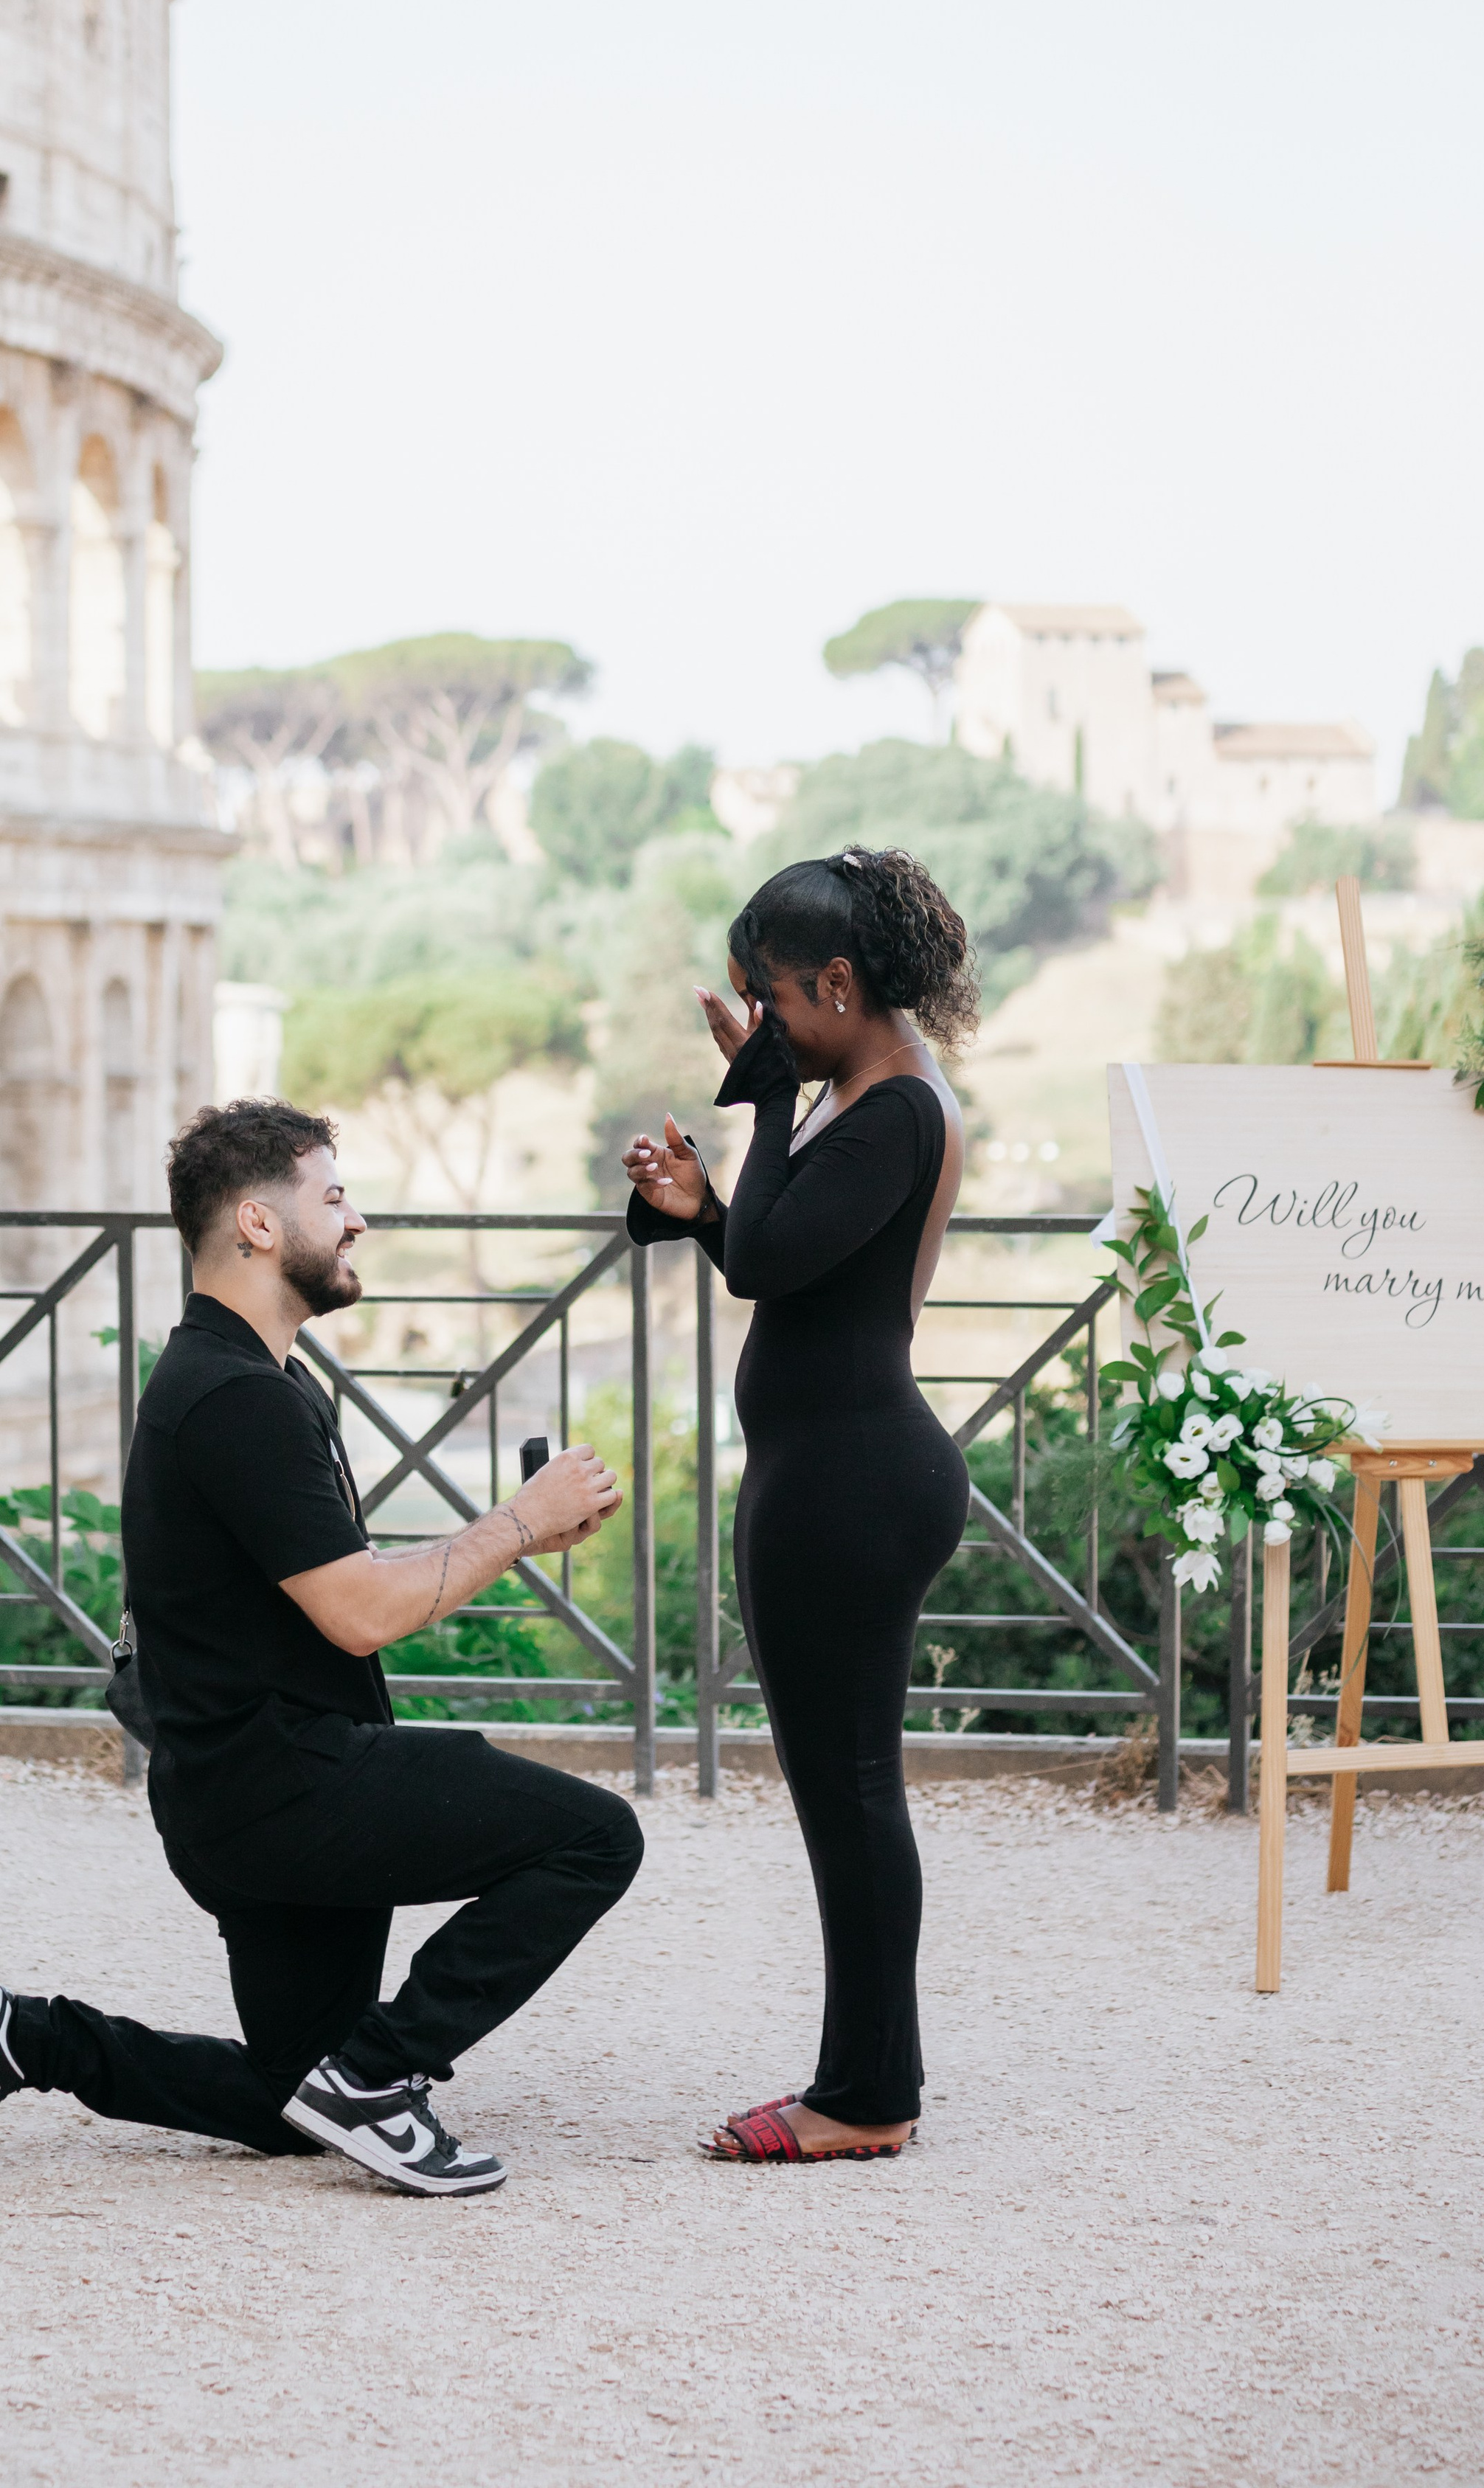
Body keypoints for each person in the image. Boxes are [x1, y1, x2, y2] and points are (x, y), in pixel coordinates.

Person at [0, 1096, 639, 2198]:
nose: (355, 1222)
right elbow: (361, 1615)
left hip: (245, 1791)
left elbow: (333, 1585)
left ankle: (21, 2037)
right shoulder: (236, 1398)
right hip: (287, 1788)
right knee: (596, 1838)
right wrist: (521, 1525)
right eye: (333, 1196)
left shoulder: (260, 1380)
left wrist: (513, 1531)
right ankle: (384, 2077)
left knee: (295, 2101)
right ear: (257, 1223)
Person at [622, 844, 977, 2166]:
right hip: (836, 1474)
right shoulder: (872, 1095)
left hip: (850, 1488)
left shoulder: (891, 1109)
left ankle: (868, 2095)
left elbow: (770, 1262)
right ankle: (870, 2078)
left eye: (771, 1003)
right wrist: (700, 1206)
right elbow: (785, 1258)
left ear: (837, 980)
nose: (760, 1026)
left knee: (853, 1795)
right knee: (847, 1792)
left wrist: (757, 1102)